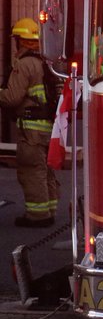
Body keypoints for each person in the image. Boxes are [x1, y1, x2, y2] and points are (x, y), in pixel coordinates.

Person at [1, 17, 59, 227]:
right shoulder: (45, 63)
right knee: (45, 170)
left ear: (22, 41)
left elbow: (12, 97)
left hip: (31, 131)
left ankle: (38, 216)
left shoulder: (25, 64)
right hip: (47, 129)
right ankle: (49, 209)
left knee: (31, 171)